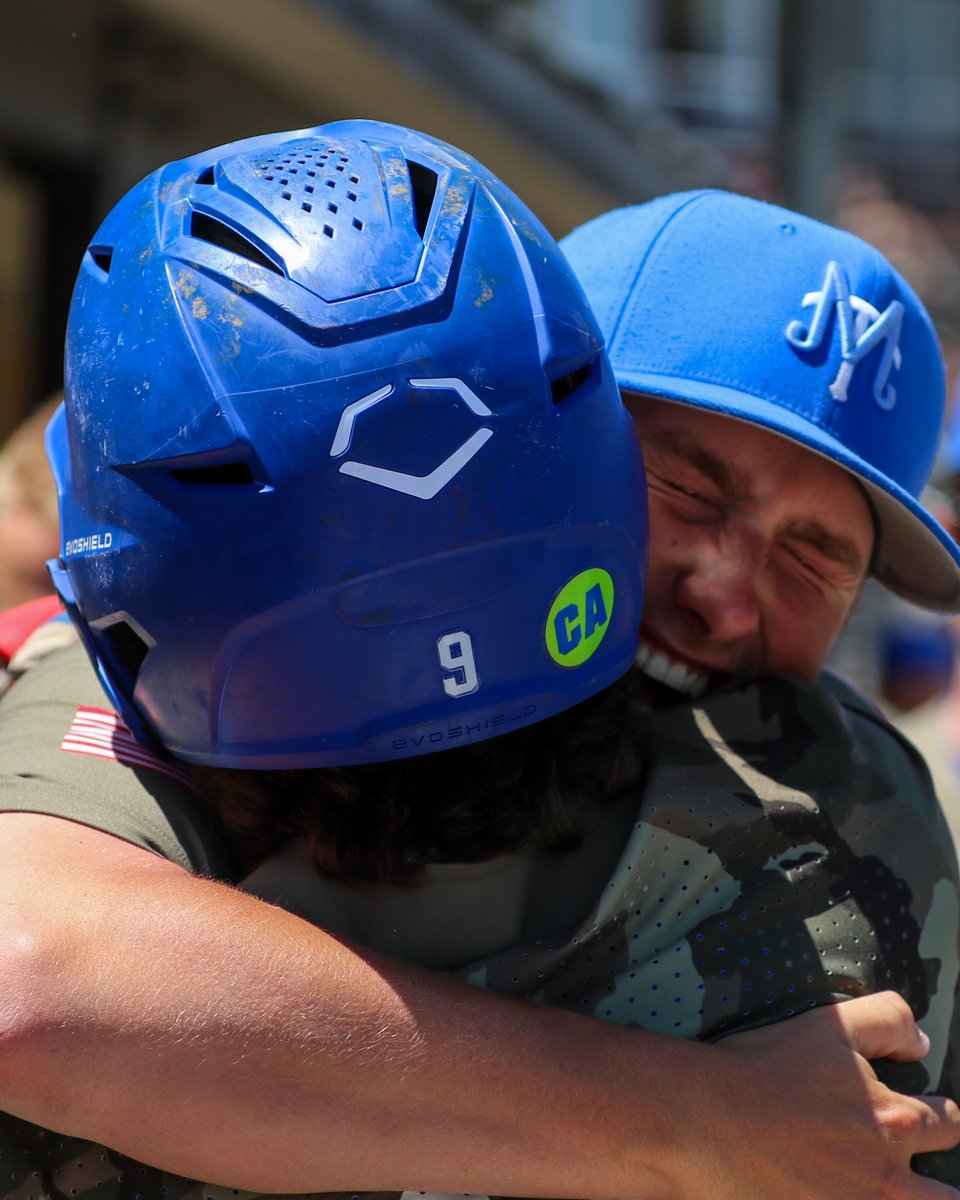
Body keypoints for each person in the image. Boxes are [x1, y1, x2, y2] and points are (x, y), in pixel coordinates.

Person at [0, 124, 958, 1200]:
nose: (724, 601)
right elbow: (34, 978)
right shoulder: (202, 636)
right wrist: (696, 1120)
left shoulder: (844, 804)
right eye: (687, 492)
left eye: (815, 558)